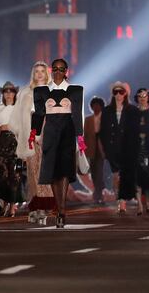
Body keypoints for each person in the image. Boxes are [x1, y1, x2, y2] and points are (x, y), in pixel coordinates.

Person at [28, 58, 84, 228]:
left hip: (67, 132)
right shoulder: (42, 91)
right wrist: (33, 134)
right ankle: (59, 208)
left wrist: (80, 137)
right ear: (51, 70)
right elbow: (38, 115)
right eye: (56, 69)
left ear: (66, 71)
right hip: (51, 133)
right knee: (52, 171)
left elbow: (77, 115)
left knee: (65, 170)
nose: (59, 72)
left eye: (62, 69)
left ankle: (62, 210)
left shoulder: (75, 90)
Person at [12, 61, 55, 225]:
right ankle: (35, 207)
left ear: (46, 74)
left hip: (47, 137)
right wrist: (20, 137)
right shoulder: (24, 92)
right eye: (36, 71)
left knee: (43, 173)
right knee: (32, 173)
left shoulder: (52, 92)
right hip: (29, 138)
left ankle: (43, 208)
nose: (39, 74)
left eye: (42, 71)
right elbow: (16, 118)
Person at [100, 81, 139, 214]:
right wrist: (105, 148)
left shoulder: (132, 110)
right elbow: (103, 131)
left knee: (125, 174)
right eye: (115, 92)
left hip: (128, 147)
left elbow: (136, 130)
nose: (118, 94)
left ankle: (125, 199)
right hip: (112, 147)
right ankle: (120, 200)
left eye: (121, 92)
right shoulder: (107, 110)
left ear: (125, 93)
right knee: (116, 175)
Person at [0, 82, 24, 217]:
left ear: (15, 93)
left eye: (11, 91)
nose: (9, 93)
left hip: (15, 141)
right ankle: (4, 204)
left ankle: (12, 206)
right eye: (6, 91)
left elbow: (23, 130)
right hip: (3, 141)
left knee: (14, 175)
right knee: (3, 175)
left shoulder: (19, 109)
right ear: (3, 94)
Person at [83, 97, 106, 204]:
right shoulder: (88, 119)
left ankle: (98, 194)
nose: (96, 107)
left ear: (101, 106)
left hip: (102, 146)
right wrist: (82, 148)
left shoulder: (106, 117)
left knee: (99, 170)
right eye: (94, 105)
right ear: (91, 107)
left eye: (98, 105)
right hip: (91, 146)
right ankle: (98, 191)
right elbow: (84, 135)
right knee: (93, 171)